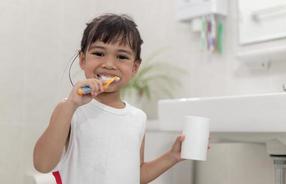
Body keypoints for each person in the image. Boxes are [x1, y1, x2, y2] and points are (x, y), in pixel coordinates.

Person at [33, 13, 185, 184]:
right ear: (82, 59)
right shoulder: (70, 109)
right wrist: (71, 104)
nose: (109, 64)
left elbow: (136, 175)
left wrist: (171, 156)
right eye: (99, 53)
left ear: (134, 67)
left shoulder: (138, 118)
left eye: (122, 57)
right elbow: (42, 164)